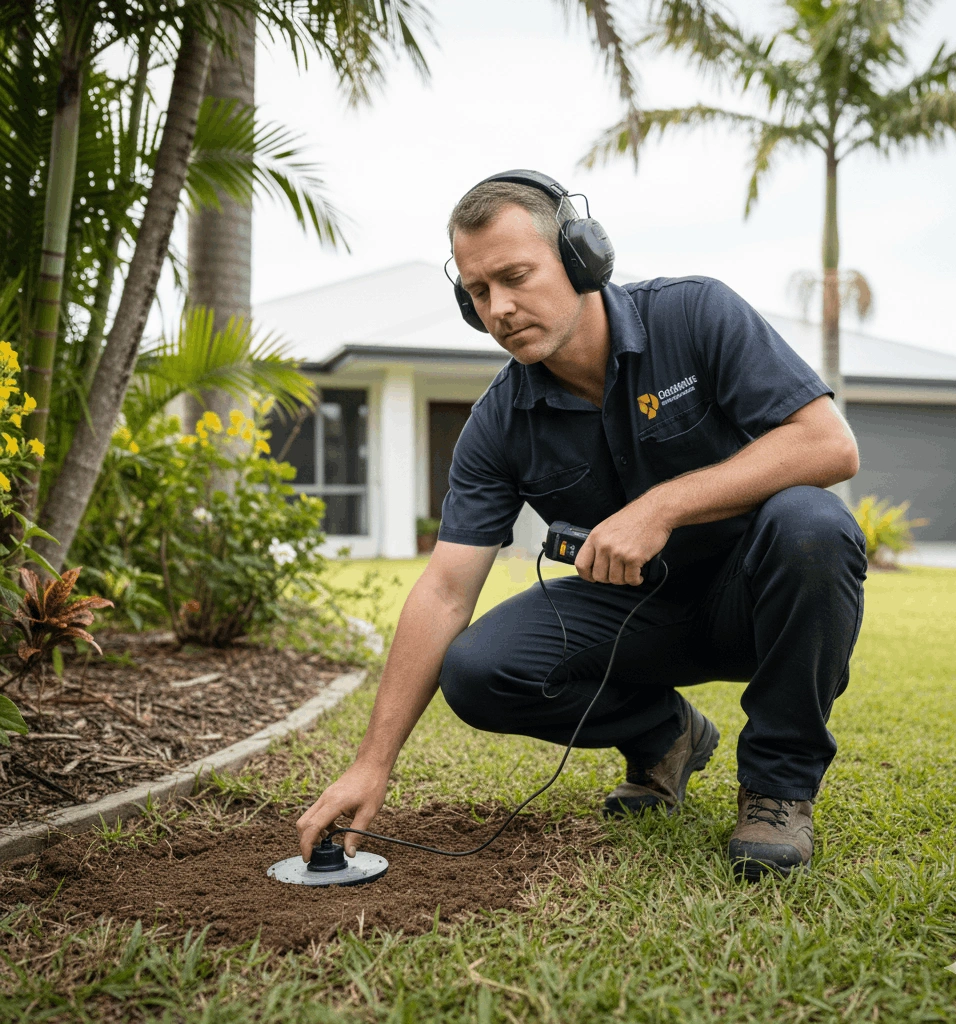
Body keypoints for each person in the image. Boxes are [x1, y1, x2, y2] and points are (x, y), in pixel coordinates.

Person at [297, 170, 867, 880]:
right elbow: (445, 590)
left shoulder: (695, 314)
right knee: (475, 671)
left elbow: (828, 445)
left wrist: (659, 507)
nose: (500, 308)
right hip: (636, 617)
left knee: (813, 523)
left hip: (758, 600)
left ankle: (778, 788)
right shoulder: (498, 425)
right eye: (479, 292)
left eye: (515, 277)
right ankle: (667, 737)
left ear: (580, 258)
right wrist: (372, 762)